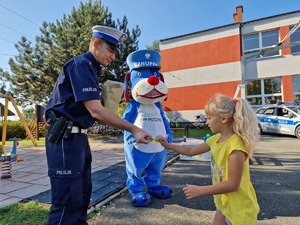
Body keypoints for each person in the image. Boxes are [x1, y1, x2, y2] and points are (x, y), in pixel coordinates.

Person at [45, 25, 152, 225]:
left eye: (115, 52)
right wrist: (134, 129)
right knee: (67, 201)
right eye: (110, 50)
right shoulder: (81, 65)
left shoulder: (91, 69)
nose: (113, 57)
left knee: (81, 196)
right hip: (65, 139)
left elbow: (94, 110)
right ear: (96, 43)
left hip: (78, 138)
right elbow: (95, 110)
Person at [156, 93, 260, 225]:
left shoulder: (236, 148)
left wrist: (200, 190)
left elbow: (233, 184)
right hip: (224, 204)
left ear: (224, 118)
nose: (207, 122)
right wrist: (167, 145)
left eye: (209, 118)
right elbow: (191, 151)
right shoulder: (215, 140)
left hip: (239, 210)